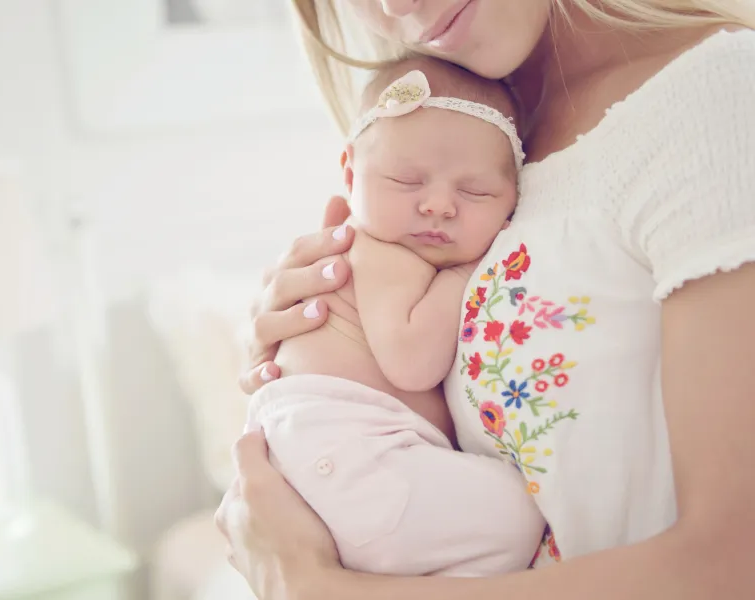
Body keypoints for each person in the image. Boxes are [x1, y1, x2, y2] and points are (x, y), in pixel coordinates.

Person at [218, 1, 755, 599]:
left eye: (473, 192)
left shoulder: (714, 98)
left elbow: (732, 567)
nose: (395, 5)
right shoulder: (467, 134)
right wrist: (316, 350)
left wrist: (312, 587)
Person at [248, 53, 546, 578]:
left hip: (335, 457)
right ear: (349, 171)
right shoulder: (380, 252)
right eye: (407, 182)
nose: (438, 205)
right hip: (341, 453)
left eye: (475, 191)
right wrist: (462, 277)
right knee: (516, 515)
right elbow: (412, 362)